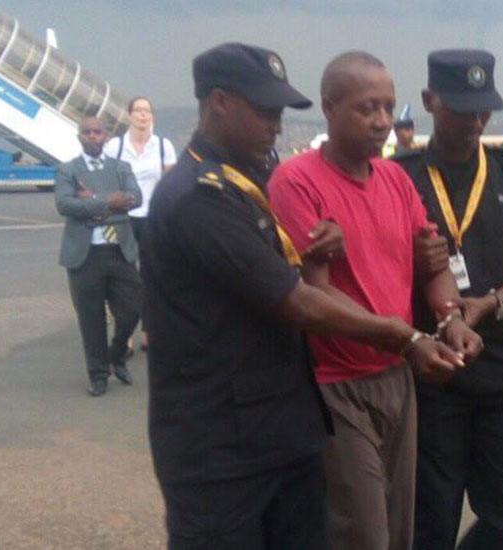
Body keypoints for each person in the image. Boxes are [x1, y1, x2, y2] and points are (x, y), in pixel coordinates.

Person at [143, 42, 465, 550]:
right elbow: (296, 301)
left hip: (281, 427)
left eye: (280, 114)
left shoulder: (245, 182)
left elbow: (301, 278)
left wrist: (317, 257)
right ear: (219, 103)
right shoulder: (197, 197)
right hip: (219, 445)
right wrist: (405, 338)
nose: (275, 126)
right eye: (265, 112)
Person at [268, 51, 482, 550]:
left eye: (388, 107)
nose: (383, 122)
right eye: (367, 109)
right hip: (334, 385)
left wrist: (452, 318)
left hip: (396, 377)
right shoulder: (297, 181)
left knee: (399, 528)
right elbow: (311, 294)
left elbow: (434, 263)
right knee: (362, 534)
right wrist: (407, 338)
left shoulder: (394, 180)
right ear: (329, 107)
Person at [394, 49, 503, 549]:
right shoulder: (400, 177)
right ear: (429, 101)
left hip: (501, 369)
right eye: (461, 109)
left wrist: (489, 305)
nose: (475, 121)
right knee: (429, 524)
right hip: (431, 377)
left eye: (483, 110)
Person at [54, 117, 142, 397]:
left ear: (106, 137)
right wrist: (108, 202)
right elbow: (65, 204)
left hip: (119, 251)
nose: (92, 136)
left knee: (132, 310)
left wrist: (91, 201)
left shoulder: (121, 168)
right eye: (87, 132)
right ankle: (99, 375)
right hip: (85, 256)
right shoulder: (68, 170)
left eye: (98, 132)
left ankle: (116, 355)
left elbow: (135, 198)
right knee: (91, 319)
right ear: (79, 137)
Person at [104, 96, 177, 351]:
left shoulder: (162, 146)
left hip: (151, 218)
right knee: (123, 276)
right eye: (138, 111)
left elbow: (170, 184)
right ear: (129, 115)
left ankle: (149, 329)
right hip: (123, 217)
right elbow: (106, 179)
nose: (143, 115)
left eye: (147, 111)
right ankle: (125, 333)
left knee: (151, 275)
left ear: (152, 116)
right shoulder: (115, 146)